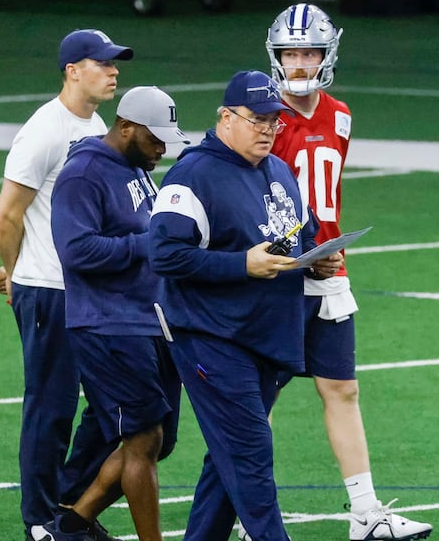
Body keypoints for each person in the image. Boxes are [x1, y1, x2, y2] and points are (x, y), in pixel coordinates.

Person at [248, 3, 434, 541]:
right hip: (275, 271)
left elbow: (327, 197)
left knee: (342, 389)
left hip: (328, 270)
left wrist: (325, 246)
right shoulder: (262, 115)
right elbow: (246, 196)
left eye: (309, 51)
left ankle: (366, 514)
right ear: (276, 55)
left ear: (327, 54)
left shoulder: (341, 114)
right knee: (260, 397)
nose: (301, 62)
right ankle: (245, 512)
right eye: (291, 52)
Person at [148, 70, 343, 541]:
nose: (267, 130)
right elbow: (164, 254)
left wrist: (315, 260)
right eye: (256, 119)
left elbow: (302, 233)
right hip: (212, 336)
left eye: (274, 121)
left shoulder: (277, 170)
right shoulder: (192, 173)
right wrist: (241, 265)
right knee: (250, 451)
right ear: (225, 117)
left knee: (227, 459)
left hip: (266, 337)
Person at [0, 28, 133, 541]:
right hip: (48, 288)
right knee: (50, 407)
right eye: (104, 63)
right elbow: (7, 214)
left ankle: (69, 501)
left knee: (111, 405)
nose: (115, 71)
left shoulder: (94, 125)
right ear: (73, 70)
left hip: (88, 292)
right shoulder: (44, 130)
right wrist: (15, 278)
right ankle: (39, 518)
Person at [47, 85, 187, 541]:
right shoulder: (84, 174)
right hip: (109, 322)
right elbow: (75, 249)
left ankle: (71, 523)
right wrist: (148, 245)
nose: (162, 150)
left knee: (158, 440)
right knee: (144, 439)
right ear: (125, 128)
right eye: (155, 139)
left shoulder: (136, 165)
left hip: (148, 319)